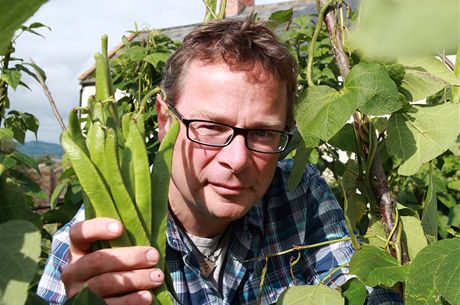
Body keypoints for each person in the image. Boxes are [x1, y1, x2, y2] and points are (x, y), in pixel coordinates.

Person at [37, 17, 402, 305]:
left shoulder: (299, 193)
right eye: (211, 127)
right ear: (165, 121)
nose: (238, 160)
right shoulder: (92, 244)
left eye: (262, 132)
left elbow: (364, 292)